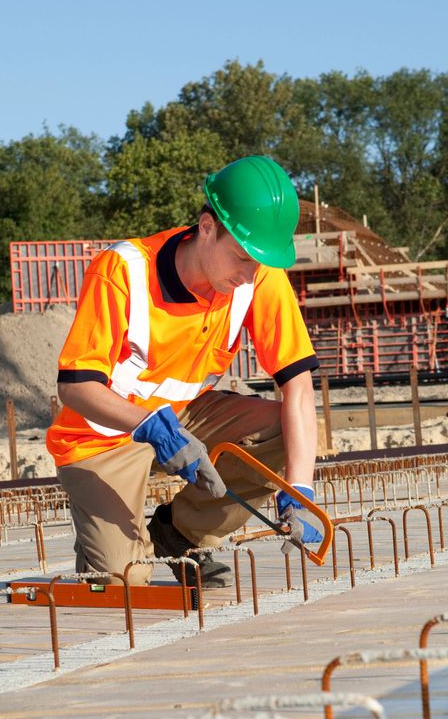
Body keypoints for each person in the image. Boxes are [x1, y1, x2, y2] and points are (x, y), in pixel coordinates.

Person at [45, 155, 321, 588]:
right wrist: (152, 426)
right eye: (241, 257)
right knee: (126, 586)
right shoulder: (124, 270)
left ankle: (178, 534)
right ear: (207, 227)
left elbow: (299, 390)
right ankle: (106, 558)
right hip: (101, 437)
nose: (249, 275)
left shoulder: (259, 275)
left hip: (185, 417)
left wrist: (300, 490)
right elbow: (76, 389)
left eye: (258, 263)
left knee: (292, 435)